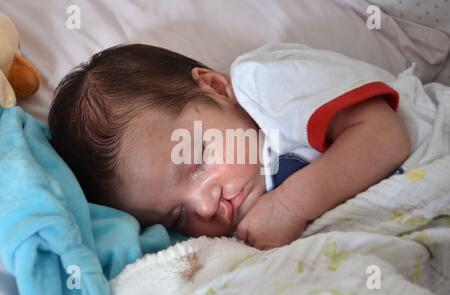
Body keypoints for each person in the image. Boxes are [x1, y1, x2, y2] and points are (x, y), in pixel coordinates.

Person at [49, 43, 416, 250]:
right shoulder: (234, 233)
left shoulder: (264, 84)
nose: (206, 206)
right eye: (177, 216)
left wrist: (291, 205)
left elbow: (384, 135)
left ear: (215, 88)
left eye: (197, 159)